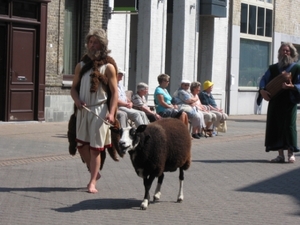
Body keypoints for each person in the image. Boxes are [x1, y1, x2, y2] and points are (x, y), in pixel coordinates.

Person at [70, 29, 118, 193]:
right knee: (81, 145)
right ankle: (94, 172)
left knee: (95, 148)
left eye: (95, 42)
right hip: (83, 110)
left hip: (100, 110)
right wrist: (77, 101)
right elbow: (73, 89)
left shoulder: (108, 67)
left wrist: (111, 113)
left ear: (102, 45)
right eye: (90, 42)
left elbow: (114, 93)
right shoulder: (81, 65)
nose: (92, 45)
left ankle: (92, 183)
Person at [259, 42, 300, 163]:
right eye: (283, 50)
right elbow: (263, 80)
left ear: (292, 53)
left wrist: (292, 87)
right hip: (275, 102)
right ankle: (280, 155)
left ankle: (290, 153)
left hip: (289, 102)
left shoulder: (296, 68)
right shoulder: (273, 68)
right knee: (276, 127)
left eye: (287, 51)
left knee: (289, 126)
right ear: (279, 53)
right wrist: (262, 90)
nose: (285, 52)